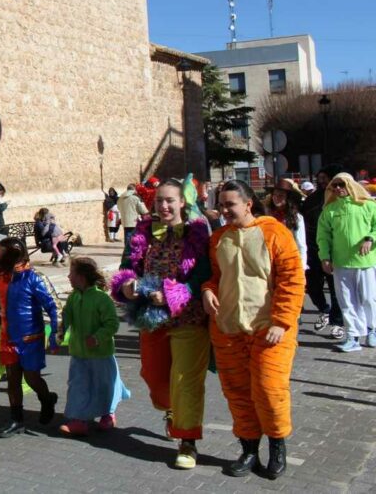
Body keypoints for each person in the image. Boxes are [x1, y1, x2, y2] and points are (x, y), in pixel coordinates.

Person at [203, 180, 305, 480]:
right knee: (237, 393)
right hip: (229, 330)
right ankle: (249, 450)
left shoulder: (275, 233)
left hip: (269, 330)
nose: (223, 210)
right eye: (221, 204)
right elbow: (216, 276)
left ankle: (277, 447)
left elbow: (292, 280)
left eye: (229, 204)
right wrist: (207, 290)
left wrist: (281, 321)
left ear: (248, 204)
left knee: (269, 390)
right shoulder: (219, 237)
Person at [110, 178, 211, 469]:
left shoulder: (198, 231)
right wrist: (127, 284)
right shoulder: (143, 230)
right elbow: (128, 266)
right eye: (159, 201)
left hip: (188, 317)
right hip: (151, 318)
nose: (164, 206)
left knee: (185, 381)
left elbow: (203, 270)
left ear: (182, 203)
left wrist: (174, 293)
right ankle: (171, 410)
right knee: (154, 376)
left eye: (170, 200)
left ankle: (188, 442)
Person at [0, 237, 58, 438]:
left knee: (32, 378)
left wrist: (55, 334)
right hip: (8, 338)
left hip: (31, 338)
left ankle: (47, 398)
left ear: (11, 255)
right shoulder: (1, 278)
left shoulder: (34, 278)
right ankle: (17, 420)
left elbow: (52, 305)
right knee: (13, 379)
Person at [59, 256, 130, 436]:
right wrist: (61, 330)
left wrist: (98, 338)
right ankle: (79, 419)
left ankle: (108, 414)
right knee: (78, 385)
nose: (68, 277)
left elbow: (112, 324)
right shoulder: (74, 296)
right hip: (78, 352)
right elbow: (68, 315)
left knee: (103, 385)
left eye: (71, 273)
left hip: (100, 353)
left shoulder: (101, 299)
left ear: (81, 277)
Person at [317, 172, 376, 353]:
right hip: (341, 263)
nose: (337, 188)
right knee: (347, 301)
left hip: (365, 262)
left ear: (350, 185)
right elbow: (323, 236)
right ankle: (353, 336)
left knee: (368, 298)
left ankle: (372, 329)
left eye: (341, 184)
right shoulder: (330, 210)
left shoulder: (367, 206)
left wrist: (370, 239)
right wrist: (325, 257)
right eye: (334, 186)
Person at [303, 166, 345, 339]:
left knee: (335, 289)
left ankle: (337, 322)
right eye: (319, 178)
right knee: (312, 286)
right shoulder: (311, 200)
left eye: (325, 178)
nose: (321, 181)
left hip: (335, 251)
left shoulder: (338, 200)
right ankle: (324, 310)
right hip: (314, 249)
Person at [267, 179, 307, 267]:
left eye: (281, 195)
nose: (276, 198)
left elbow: (301, 244)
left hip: (289, 261)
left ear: (287, 198)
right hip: (269, 262)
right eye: (274, 195)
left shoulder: (296, 217)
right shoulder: (267, 215)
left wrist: (302, 267)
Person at [117, 183, 150, 250]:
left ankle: (127, 250)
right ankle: (133, 250)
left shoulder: (121, 198)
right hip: (134, 220)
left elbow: (119, 207)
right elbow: (143, 210)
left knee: (127, 235)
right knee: (134, 236)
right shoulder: (135, 197)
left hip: (125, 220)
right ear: (134, 189)